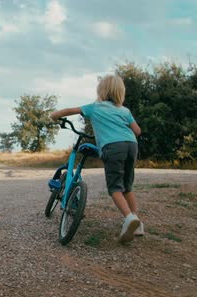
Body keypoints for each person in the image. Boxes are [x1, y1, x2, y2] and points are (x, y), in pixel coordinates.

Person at [50, 74, 143, 243]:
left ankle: (129, 218)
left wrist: (54, 115)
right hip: (131, 145)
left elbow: (69, 111)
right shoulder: (125, 111)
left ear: (101, 90)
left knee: (115, 188)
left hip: (112, 147)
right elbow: (137, 131)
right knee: (127, 187)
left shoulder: (95, 107)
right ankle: (138, 223)